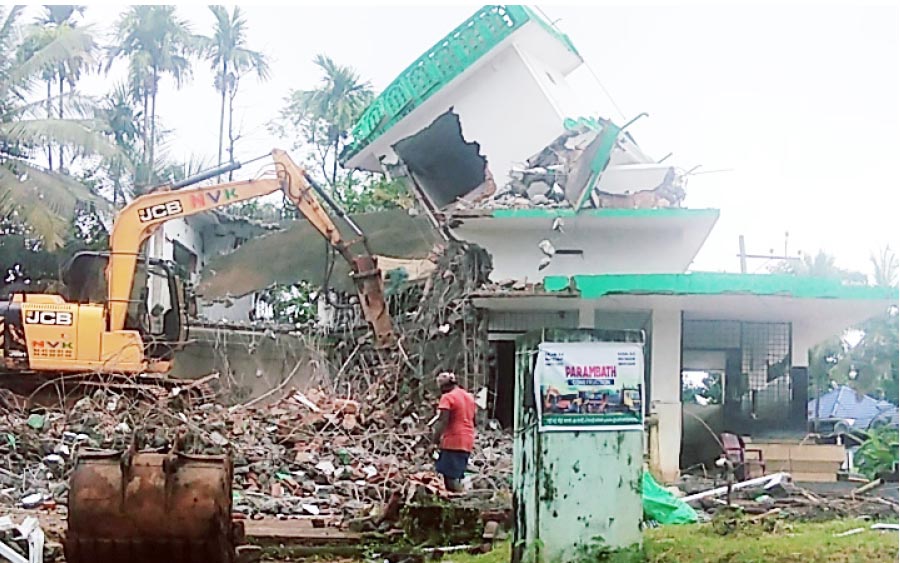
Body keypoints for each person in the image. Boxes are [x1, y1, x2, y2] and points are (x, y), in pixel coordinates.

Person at [431, 372, 476, 492]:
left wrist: (434, 441)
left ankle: (457, 502)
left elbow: (442, 421)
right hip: (467, 440)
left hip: (453, 441)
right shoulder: (469, 397)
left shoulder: (448, 397)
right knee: (457, 473)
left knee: (449, 476)